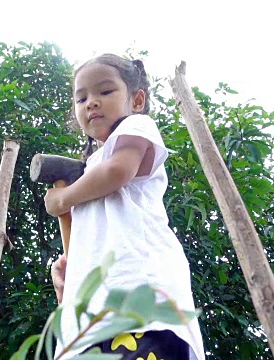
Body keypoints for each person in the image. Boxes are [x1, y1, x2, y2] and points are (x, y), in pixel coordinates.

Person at [44, 54, 205, 360]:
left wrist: (62, 199)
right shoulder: (88, 171)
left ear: (137, 100)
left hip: (139, 297)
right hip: (90, 321)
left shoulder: (137, 128)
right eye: (81, 98)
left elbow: (117, 172)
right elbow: (94, 232)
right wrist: (71, 269)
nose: (91, 102)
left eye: (105, 92)